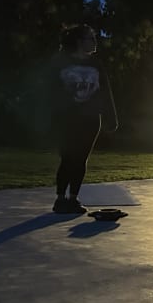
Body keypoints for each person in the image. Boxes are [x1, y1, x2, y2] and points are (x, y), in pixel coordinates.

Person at [48, 23, 118, 214]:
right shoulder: (60, 62)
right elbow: (49, 91)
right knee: (67, 157)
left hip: (90, 119)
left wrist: (111, 117)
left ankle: (73, 199)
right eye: (91, 38)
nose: (95, 42)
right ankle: (60, 198)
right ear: (79, 41)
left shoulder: (96, 64)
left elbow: (105, 91)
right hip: (66, 119)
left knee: (81, 159)